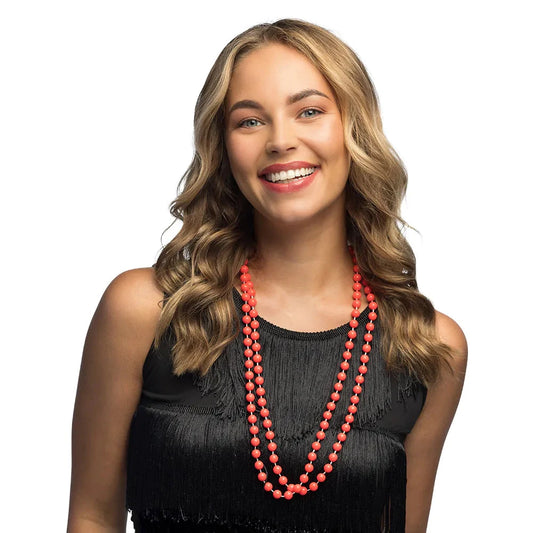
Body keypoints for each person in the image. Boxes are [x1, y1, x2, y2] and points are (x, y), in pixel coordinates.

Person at [67, 18, 467, 533]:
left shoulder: (428, 347)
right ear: (223, 146)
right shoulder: (144, 309)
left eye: (309, 111)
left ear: (355, 128)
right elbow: (92, 516)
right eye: (250, 121)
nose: (281, 140)